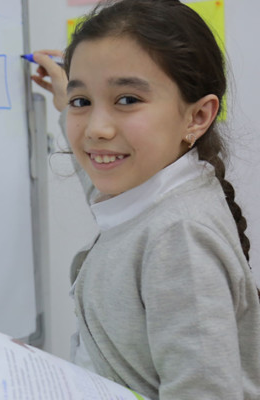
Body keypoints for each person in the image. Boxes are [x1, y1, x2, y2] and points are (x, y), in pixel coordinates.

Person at [30, 0, 260, 399]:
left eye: (127, 100)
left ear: (197, 117)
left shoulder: (178, 237)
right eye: (82, 102)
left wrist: (81, 100)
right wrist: (63, 103)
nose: (97, 129)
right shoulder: (154, 191)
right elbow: (98, 182)